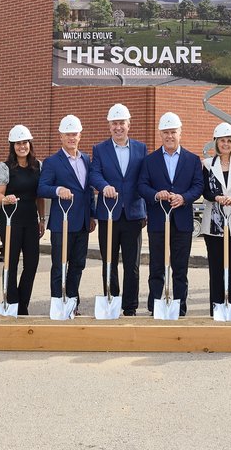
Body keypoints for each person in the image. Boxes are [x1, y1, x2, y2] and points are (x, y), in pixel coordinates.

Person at [136, 111, 203, 316]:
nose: (169, 136)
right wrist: (156, 195)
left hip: (182, 222)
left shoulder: (192, 160)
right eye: (165, 133)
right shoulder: (150, 160)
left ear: (180, 133)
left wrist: (184, 198)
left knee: (180, 268)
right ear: (160, 134)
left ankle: (179, 306)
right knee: (156, 265)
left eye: (173, 132)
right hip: (158, 222)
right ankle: (155, 304)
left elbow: (198, 185)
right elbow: (142, 186)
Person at [90, 102, 148, 316]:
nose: (118, 127)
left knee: (132, 264)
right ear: (109, 125)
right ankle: (111, 299)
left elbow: (145, 180)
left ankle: (130, 306)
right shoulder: (99, 149)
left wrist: (146, 212)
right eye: (114, 123)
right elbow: (94, 174)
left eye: (121, 123)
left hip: (133, 214)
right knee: (109, 260)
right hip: (109, 214)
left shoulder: (141, 148)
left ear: (128, 124)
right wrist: (104, 186)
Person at [38, 114, 95, 315]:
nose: (71, 138)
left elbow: (88, 190)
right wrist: (57, 189)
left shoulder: (87, 159)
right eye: (67, 134)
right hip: (61, 223)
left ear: (80, 135)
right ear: (61, 136)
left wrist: (93, 215)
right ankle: (58, 304)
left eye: (75, 134)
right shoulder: (52, 162)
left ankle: (72, 304)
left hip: (82, 222)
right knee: (59, 266)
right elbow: (42, 187)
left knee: (77, 265)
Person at [0, 124, 45, 315]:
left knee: (31, 264)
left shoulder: (38, 166)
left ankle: (23, 305)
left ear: (30, 144)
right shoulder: (4, 168)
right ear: (12, 146)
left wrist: (42, 219)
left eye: (25, 142)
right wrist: (5, 199)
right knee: (10, 264)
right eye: (17, 143)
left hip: (30, 220)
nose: (22, 146)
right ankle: (11, 304)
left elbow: (40, 196)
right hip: (10, 220)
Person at [200, 122, 231, 316]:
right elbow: (204, 190)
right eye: (222, 140)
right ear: (216, 142)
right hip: (213, 222)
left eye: (229, 140)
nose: (226, 144)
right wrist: (217, 197)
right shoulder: (207, 165)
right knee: (216, 268)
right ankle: (216, 308)